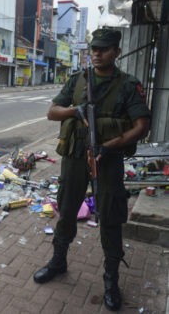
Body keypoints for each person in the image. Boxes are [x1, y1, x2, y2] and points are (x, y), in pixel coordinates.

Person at [33, 28, 151, 312]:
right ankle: (58, 262)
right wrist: (76, 111)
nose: (97, 53)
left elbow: (142, 125)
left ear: (117, 52)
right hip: (75, 156)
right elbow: (52, 112)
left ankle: (111, 280)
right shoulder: (78, 80)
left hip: (108, 159)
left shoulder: (127, 85)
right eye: (94, 48)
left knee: (110, 215)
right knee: (67, 207)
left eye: (104, 48)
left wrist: (114, 144)